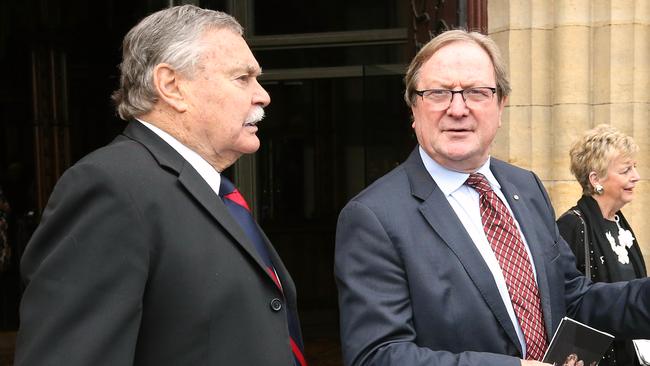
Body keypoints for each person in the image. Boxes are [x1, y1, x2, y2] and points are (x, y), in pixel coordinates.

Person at [334, 29, 650, 366]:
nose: (458, 108)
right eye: (438, 93)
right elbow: (377, 356)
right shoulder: (374, 217)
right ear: (414, 108)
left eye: (476, 92)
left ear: (501, 105)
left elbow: (573, 299)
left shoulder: (525, 187)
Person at [15, 5, 306, 366]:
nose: (263, 95)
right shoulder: (111, 187)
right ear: (172, 86)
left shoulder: (213, 191)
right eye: (242, 78)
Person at [557, 124, 645, 366]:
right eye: (626, 170)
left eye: (634, 168)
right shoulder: (572, 226)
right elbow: (565, 301)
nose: (635, 176)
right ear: (596, 180)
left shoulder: (620, 225)